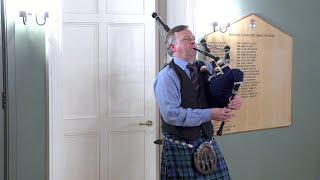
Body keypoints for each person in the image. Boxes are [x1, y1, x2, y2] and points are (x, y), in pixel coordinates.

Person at [153, 25, 242, 179]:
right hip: (180, 147)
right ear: (173, 47)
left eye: (193, 39)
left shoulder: (206, 67)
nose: (193, 42)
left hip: (208, 143)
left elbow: (216, 94)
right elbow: (171, 115)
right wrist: (210, 114)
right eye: (187, 39)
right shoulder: (167, 77)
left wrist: (231, 99)